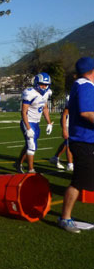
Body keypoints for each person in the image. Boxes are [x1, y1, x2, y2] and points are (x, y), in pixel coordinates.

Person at [59, 57, 94, 233]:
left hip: (85, 140)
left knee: (81, 180)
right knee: (78, 181)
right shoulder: (85, 85)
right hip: (84, 141)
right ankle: (65, 218)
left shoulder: (81, 84)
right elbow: (87, 113)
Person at [15, 73, 53, 174]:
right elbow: (23, 112)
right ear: (36, 83)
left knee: (29, 146)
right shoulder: (30, 93)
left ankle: (18, 163)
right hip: (28, 121)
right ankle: (31, 170)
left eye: (46, 85)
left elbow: (45, 108)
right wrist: (28, 128)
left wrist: (49, 123)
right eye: (41, 84)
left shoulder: (46, 93)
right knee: (31, 146)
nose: (44, 87)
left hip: (36, 123)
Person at [49, 95, 74, 171]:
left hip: (75, 122)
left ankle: (55, 157)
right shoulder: (73, 96)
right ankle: (70, 164)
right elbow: (65, 113)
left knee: (67, 143)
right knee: (69, 142)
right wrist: (64, 129)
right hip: (68, 122)